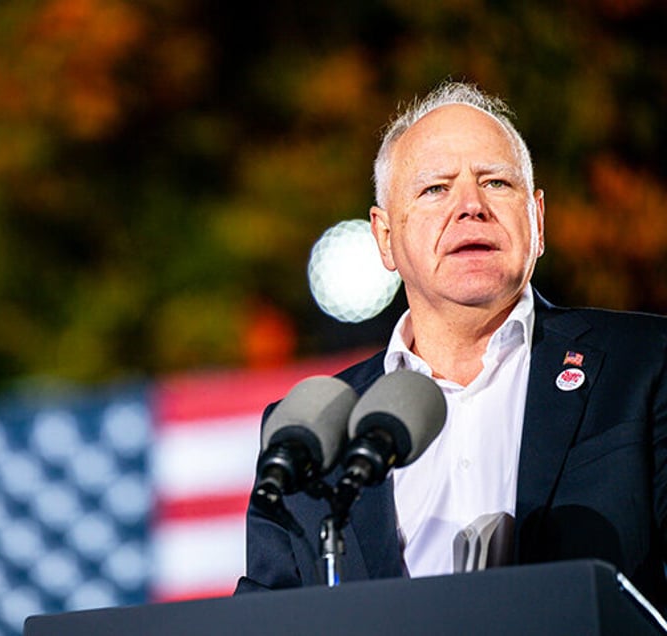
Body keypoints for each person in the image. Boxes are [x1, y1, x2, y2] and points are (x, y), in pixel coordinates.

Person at [235, 81, 667, 610]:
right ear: (385, 236)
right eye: (436, 188)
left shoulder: (644, 363)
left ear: (539, 220)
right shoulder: (317, 434)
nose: (471, 206)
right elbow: (267, 617)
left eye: (497, 183)